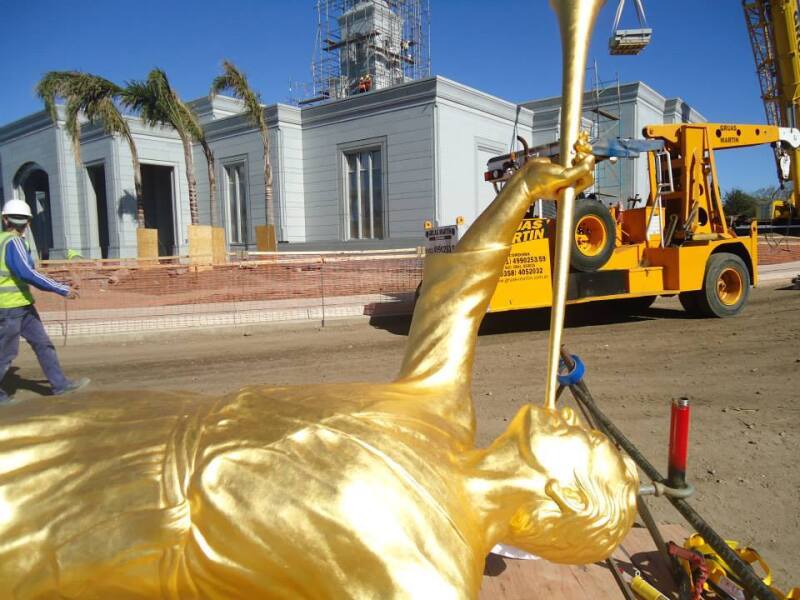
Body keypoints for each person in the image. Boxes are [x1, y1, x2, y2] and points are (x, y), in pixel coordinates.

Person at [0, 199, 89, 405]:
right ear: (28, 223)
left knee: (43, 344)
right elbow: (27, 273)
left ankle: (60, 385)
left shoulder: (5, 241)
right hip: (10, 308)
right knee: (5, 354)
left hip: (21, 306)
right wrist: (62, 289)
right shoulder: (13, 242)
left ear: (5, 220)